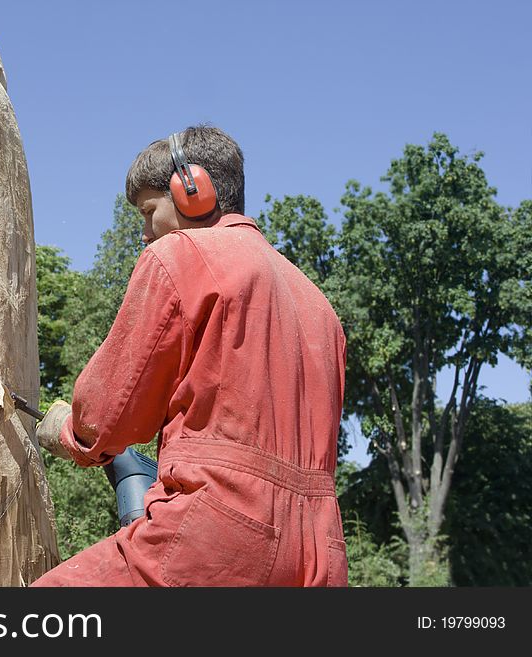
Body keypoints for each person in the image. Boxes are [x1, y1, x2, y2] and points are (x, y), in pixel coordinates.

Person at [32, 125, 348, 587]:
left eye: (148, 211)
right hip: (319, 548)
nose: (145, 232)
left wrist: (71, 431)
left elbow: (108, 414)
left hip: (222, 529)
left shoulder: (181, 254)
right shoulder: (320, 306)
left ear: (191, 191)